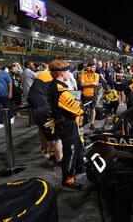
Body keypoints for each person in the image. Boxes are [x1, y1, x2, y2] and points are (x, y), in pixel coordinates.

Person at [47, 59, 84, 191]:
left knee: (78, 146)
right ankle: (68, 180)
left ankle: (79, 168)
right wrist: (79, 106)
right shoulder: (61, 90)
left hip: (63, 123)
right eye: (68, 71)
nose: (69, 73)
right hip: (67, 125)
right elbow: (77, 110)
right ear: (62, 73)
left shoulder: (54, 86)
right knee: (71, 153)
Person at [28, 70, 62, 164]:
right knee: (55, 134)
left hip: (34, 101)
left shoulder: (43, 74)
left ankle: (45, 149)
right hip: (43, 103)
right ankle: (56, 158)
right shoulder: (55, 78)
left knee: (42, 126)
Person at [0, 61, 14, 130]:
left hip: (4, 94)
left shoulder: (5, 74)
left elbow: (10, 83)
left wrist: (10, 92)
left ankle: (11, 117)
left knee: (7, 106)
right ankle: (0, 123)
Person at [80, 62, 99, 130]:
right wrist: (91, 83)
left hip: (93, 95)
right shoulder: (83, 74)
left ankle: (92, 123)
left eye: (95, 67)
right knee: (83, 109)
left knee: (93, 109)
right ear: (88, 68)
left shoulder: (96, 75)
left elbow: (95, 84)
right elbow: (82, 84)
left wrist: (86, 83)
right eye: (93, 67)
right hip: (85, 95)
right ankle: (80, 124)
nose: (94, 69)